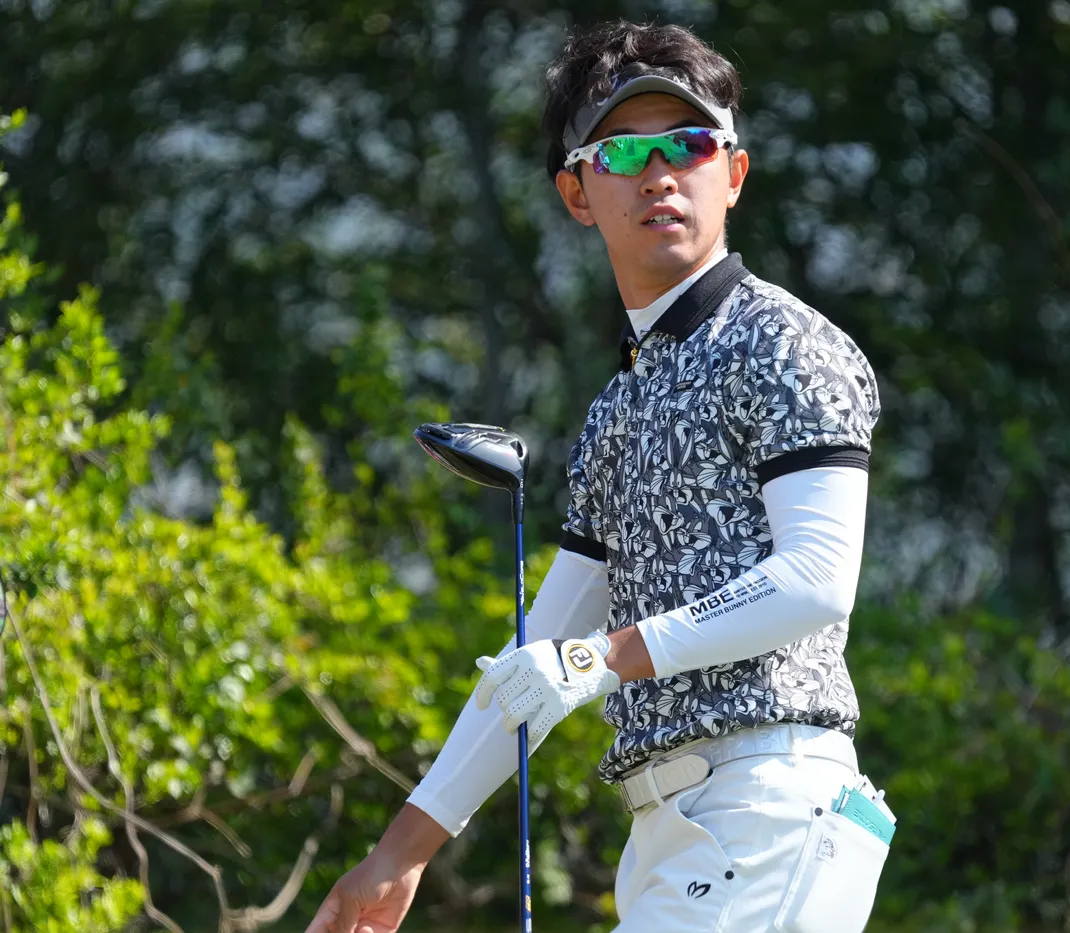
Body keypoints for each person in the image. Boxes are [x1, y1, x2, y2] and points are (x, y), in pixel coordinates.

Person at [306, 19, 891, 933]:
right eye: (622, 151)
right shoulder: (617, 408)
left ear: (734, 173)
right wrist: (400, 852)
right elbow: (545, 644)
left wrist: (601, 658)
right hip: (669, 835)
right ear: (577, 192)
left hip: (771, 806)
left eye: (690, 144)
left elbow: (816, 580)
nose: (660, 174)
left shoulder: (785, 343)